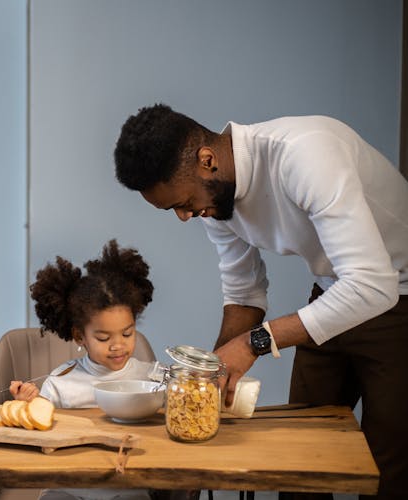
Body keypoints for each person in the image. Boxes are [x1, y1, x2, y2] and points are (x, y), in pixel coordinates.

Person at [114, 103, 408, 500]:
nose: (185, 216)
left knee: (384, 468)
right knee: (302, 462)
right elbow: (244, 292)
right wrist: (211, 374)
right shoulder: (214, 200)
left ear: (206, 160)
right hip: (335, 292)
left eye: (182, 202)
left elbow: (375, 286)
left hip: (399, 299)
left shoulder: (305, 155)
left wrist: (255, 342)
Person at [11, 239, 191, 500]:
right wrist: (27, 405)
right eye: (104, 338)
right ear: (79, 336)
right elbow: (39, 435)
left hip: (129, 485)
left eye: (128, 334)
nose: (118, 345)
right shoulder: (61, 382)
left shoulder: (151, 378)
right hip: (68, 486)